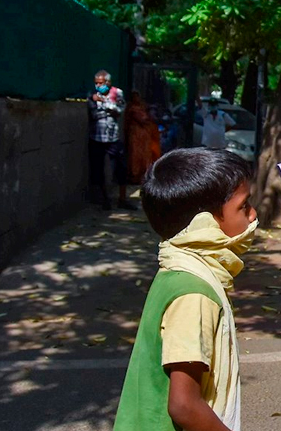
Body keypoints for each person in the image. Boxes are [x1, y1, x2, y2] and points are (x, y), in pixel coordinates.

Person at [113, 148, 257, 431]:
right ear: (204, 225)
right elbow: (183, 405)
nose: (253, 215)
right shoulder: (194, 293)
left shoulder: (177, 268)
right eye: (244, 206)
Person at [88, 70, 136, 210]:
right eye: (96, 83)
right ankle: (104, 199)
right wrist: (110, 109)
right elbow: (95, 114)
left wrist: (104, 103)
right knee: (98, 169)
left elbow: (120, 110)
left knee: (121, 167)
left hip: (113, 137)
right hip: (97, 137)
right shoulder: (92, 95)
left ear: (108, 82)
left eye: (101, 83)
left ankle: (122, 199)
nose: (98, 86)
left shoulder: (117, 93)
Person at [123, 90, 161, 184]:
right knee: (135, 156)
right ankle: (135, 177)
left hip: (145, 137)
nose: (137, 98)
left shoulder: (144, 107)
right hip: (135, 136)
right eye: (134, 96)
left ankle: (145, 175)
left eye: (138, 96)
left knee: (146, 155)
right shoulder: (132, 108)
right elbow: (142, 120)